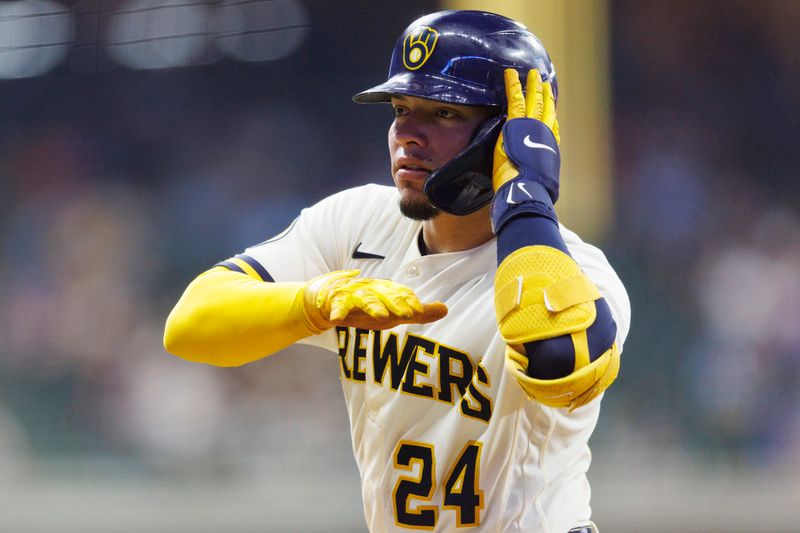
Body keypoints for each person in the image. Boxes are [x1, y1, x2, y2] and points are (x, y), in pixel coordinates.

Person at [163, 10, 630, 533]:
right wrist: (312, 306)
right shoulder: (358, 222)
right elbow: (189, 326)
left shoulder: (578, 272)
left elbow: (555, 359)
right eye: (402, 108)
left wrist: (526, 198)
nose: (407, 133)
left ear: (510, 133)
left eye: (444, 113)